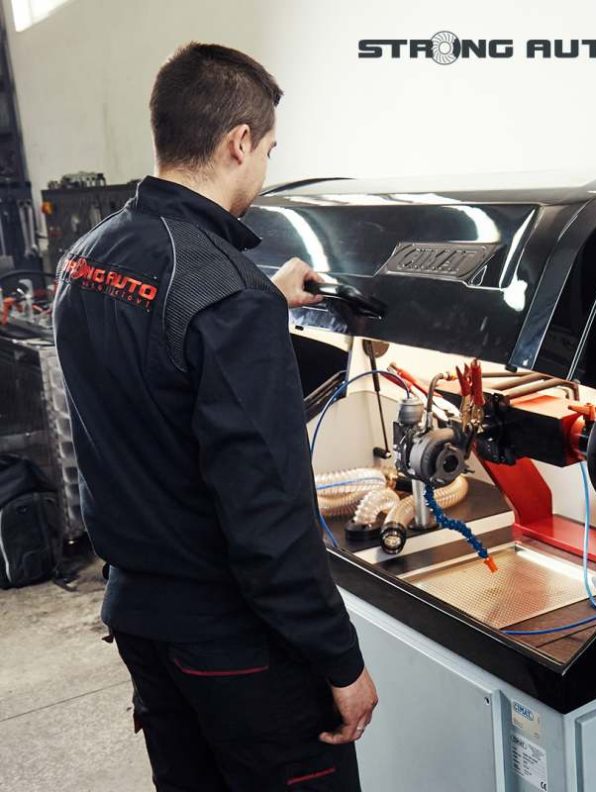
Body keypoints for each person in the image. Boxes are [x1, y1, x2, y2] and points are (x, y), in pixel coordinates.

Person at [52, 43, 376, 791]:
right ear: (238, 142)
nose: (262, 166)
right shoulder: (226, 299)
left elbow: (153, 364)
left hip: (140, 616)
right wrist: (341, 661)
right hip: (235, 644)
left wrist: (261, 297)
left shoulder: (87, 259)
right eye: (268, 150)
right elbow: (269, 519)